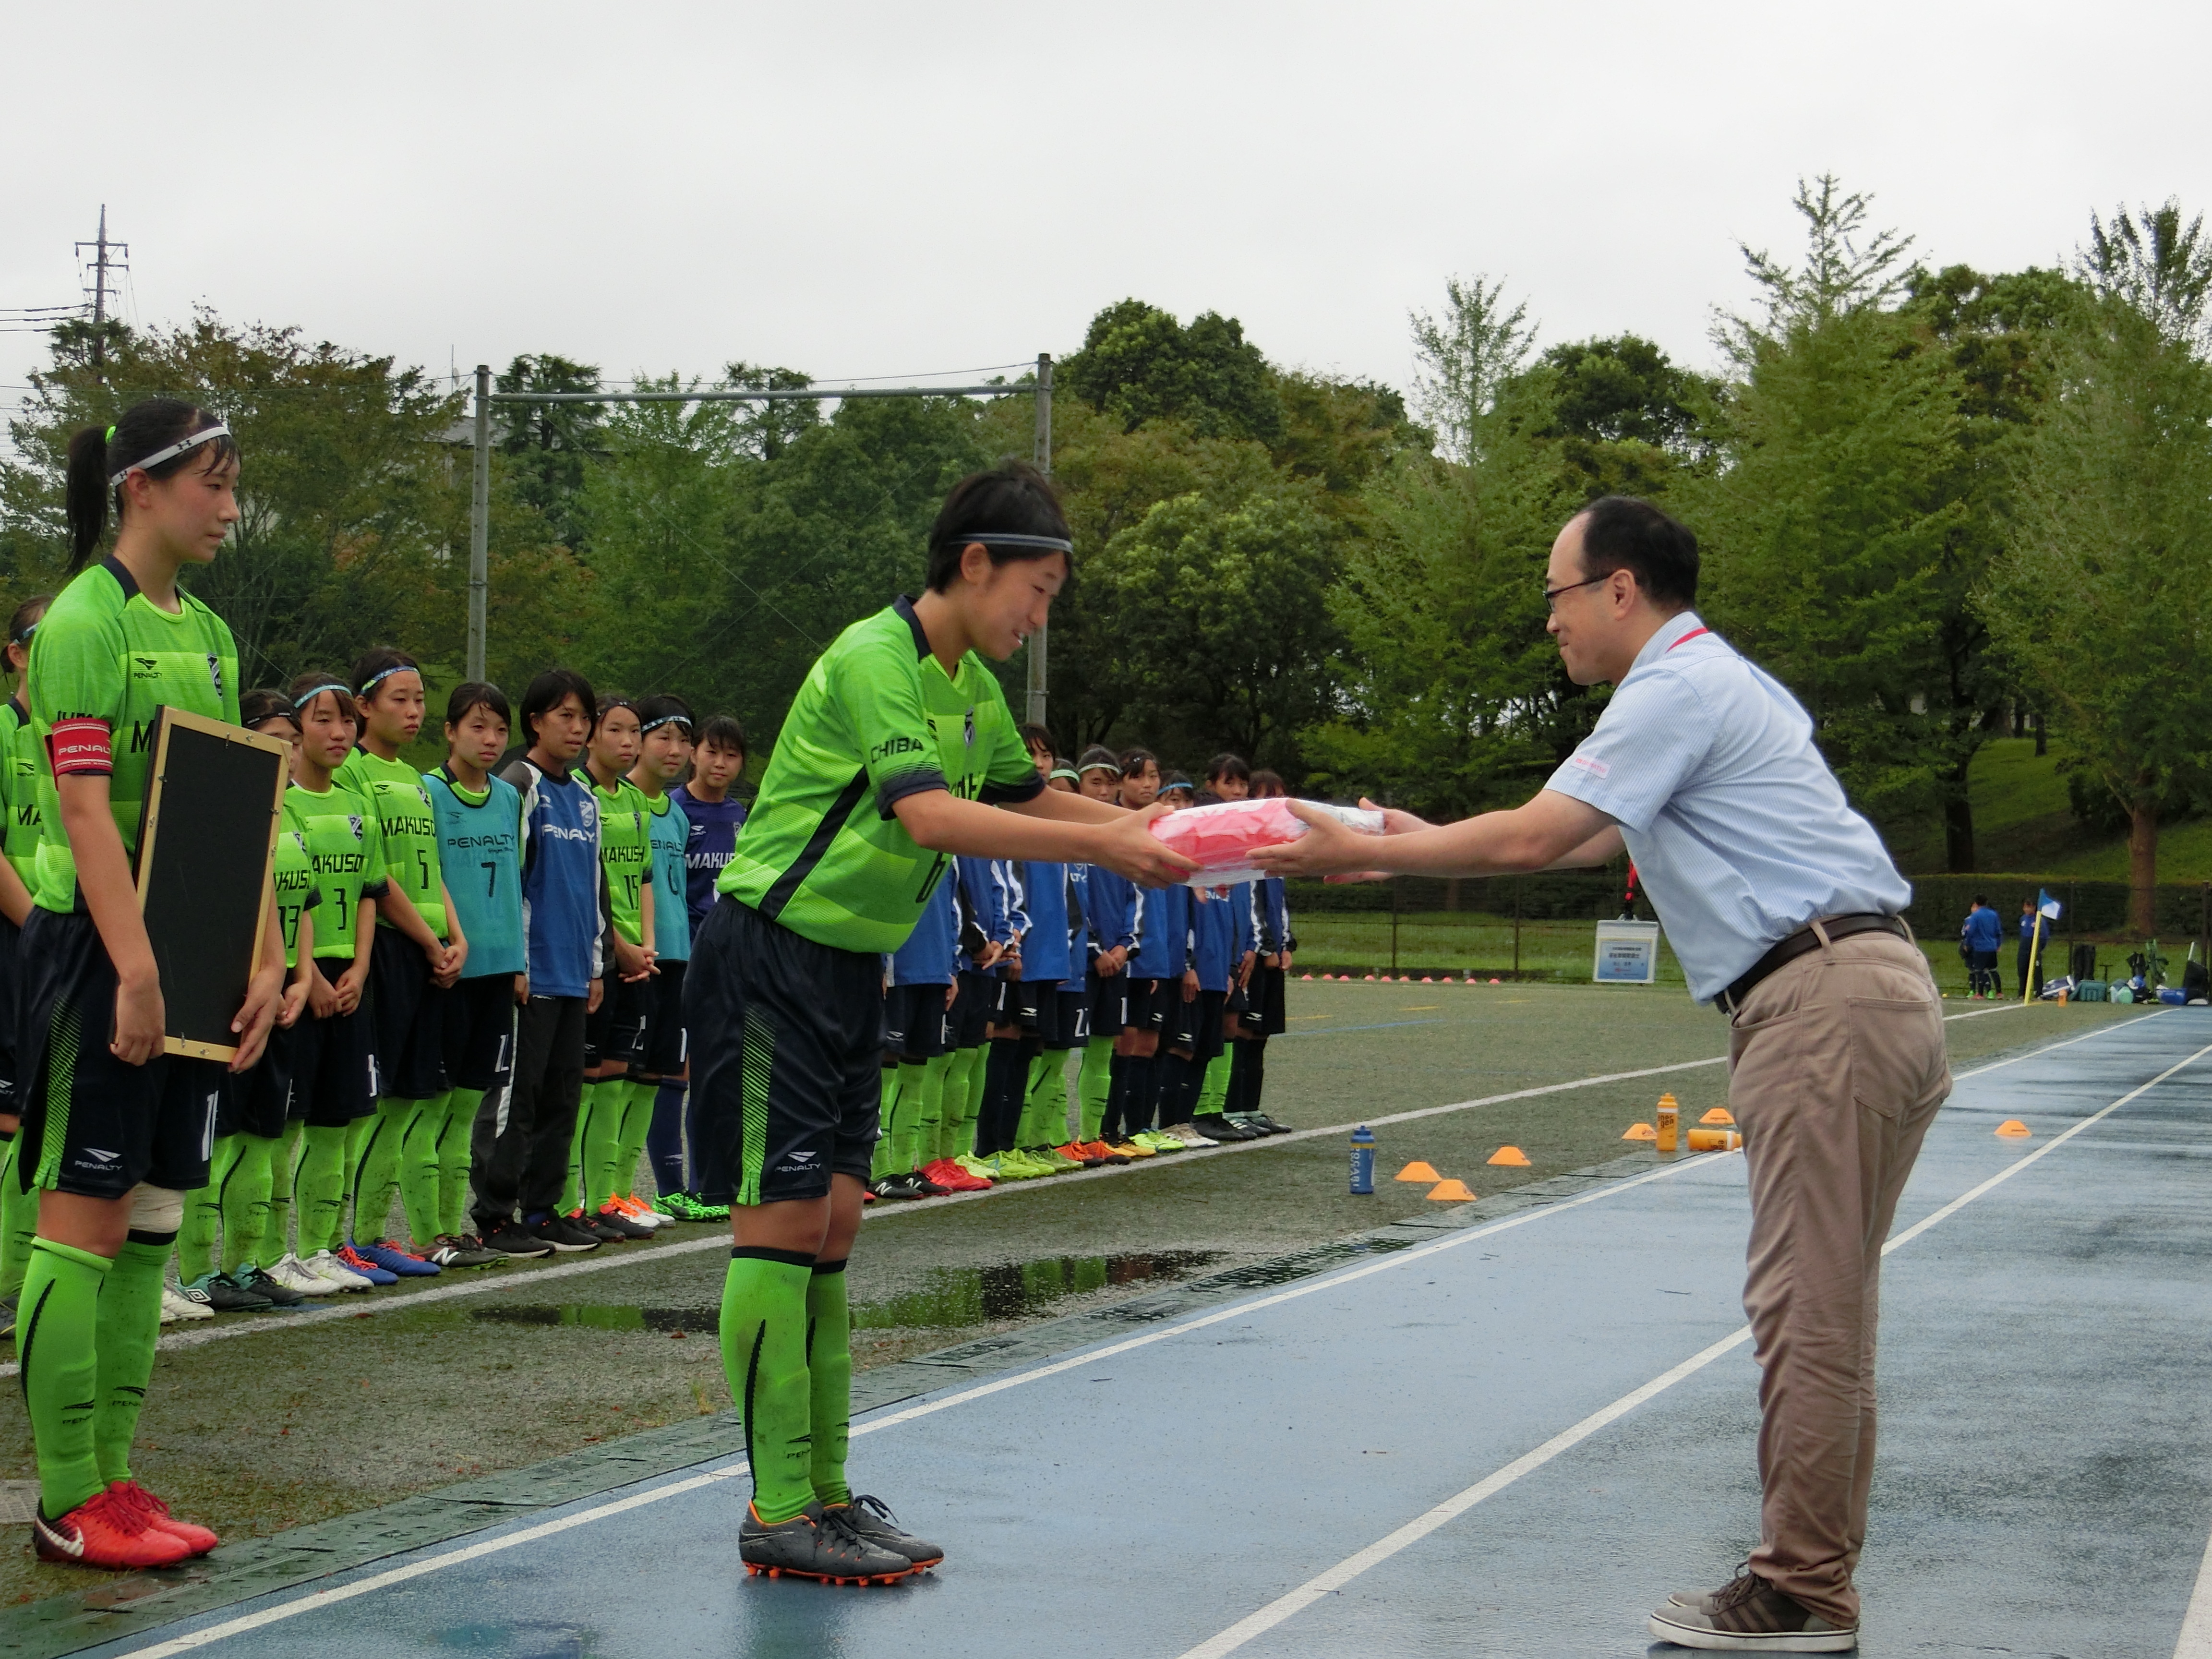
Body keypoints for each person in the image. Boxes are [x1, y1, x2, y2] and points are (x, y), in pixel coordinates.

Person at [1255, 494, 1947, 1652]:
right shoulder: (1712, 679)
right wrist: (1409, 843)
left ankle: (1803, 1586)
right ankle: (1807, 1572)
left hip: (1822, 1002)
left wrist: (1360, 850)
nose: (1550, 623)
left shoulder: (1671, 686)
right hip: (1852, 991)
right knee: (1824, 1302)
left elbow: (1534, 837)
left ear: (1619, 587)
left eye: (1556, 595)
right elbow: (1581, 834)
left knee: (1805, 1305)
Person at [689, 459, 1190, 1582]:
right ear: (975, 563)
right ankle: (776, 1504)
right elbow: (928, 815)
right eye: (1038, 589)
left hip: (847, 969)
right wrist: (1107, 842)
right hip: (772, 954)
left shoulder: (972, 685)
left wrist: (1144, 825)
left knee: (832, 1230)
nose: (1040, 613)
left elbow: (1017, 796)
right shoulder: (877, 659)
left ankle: (822, 1490)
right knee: (777, 1224)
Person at [15, 401, 285, 1567]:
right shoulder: (83, 621)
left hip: (194, 954)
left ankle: (119, 1478)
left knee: (156, 1223)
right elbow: (84, 813)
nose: (231, 507)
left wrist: (264, 953)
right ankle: (62, 1493)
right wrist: (134, 971)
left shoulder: (216, 633)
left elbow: (233, 801)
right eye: (212, 484)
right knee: (81, 1224)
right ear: (142, 487)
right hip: (99, 957)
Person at [174, 692, 333, 1310]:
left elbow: (305, 907)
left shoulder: (289, 815)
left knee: (266, 1140)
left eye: (292, 741)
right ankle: (194, 1275)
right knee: (221, 1142)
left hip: (284, 997)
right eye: (274, 739)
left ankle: (246, 1267)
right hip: (230, 1001)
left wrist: (298, 979)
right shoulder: (223, 815)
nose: (288, 752)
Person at [337, 649, 464, 1277]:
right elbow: (377, 878)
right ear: (363, 706)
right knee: (372, 1097)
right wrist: (426, 940)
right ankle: (343, 1242)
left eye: (420, 700)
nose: (414, 712)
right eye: (400, 700)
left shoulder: (416, 780)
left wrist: (454, 936)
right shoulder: (353, 774)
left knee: (408, 1101)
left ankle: (371, 1234)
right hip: (391, 948)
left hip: (429, 954)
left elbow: (431, 869)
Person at [476, 670, 606, 1256]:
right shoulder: (518, 782)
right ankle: (495, 1213)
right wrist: (517, 961)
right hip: (533, 973)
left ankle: (543, 1209)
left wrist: (597, 967)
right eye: (565, 717)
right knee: (517, 1098)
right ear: (535, 721)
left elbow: (593, 886)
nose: (577, 729)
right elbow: (507, 879)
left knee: (562, 1097)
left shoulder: (584, 796)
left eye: (584, 719)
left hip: (576, 973)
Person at [282, 676, 394, 1294]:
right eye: (323, 719)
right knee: (289, 1125)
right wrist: (309, 975)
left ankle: (320, 1249)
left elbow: (371, 891)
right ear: (297, 729)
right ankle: (275, 1258)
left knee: (339, 1122)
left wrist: (359, 967)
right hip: (301, 978)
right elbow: (292, 898)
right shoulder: (282, 800)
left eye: (347, 721)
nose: (339, 732)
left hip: (352, 976)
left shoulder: (356, 804)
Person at [419, 683, 532, 1264]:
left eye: (498, 730)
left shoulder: (511, 798)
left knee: (471, 1109)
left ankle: (454, 1228)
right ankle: (428, 1231)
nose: (490, 741)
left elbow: (513, 881)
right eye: (476, 727)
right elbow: (428, 873)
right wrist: (448, 942)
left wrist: (518, 961)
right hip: (449, 969)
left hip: (498, 968)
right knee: (434, 1105)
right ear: (450, 731)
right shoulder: (428, 791)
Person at [569, 696, 657, 1242]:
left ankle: (604, 1200)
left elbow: (643, 878)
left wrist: (647, 945)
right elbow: (586, 884)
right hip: (599, 955)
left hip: (636, 961)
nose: (628, 742)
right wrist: (619, 945)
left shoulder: (636, 801)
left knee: (617, 1085)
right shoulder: (578, 795)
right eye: (616, 731)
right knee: (585, 1083)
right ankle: (570, 1200)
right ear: (592, 736)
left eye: (634, 732)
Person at [621, 693, 695, 1228]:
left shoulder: (678, 816)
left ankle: (633, 1192)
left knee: (660, 1076)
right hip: (631, 959)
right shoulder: (618, 804)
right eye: (662, 737)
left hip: (678, 958)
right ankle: (603, 1192)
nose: (674, 750)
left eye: (682, 739)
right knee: (617, 1078)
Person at [0, 593, 50, 1334]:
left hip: (61, 943)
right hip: (20, 940)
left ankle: (31, 1278)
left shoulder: (76, 735)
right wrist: (44, 927)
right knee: (14, 1117)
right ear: (15, 654)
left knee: (46, 1116)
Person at [1960, 895, 2001, 999]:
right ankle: (1999, 993)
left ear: (1977, 903)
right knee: (1993, 969)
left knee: (1979, 970)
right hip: (1992, 946)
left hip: (1980, 946)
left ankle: (1980, 994)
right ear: (1986, 902)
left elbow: (1971, 931)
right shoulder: (1994, 914)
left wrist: (1967, 943)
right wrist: (1998, 944)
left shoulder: (1976, 916)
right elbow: (1998, 931)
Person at [2017, 898, 2053, 1000]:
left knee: (2036, 970)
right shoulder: (2023, 919)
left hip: (2035, 947)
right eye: (2025, 907)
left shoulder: (2039, 919)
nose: (2026, 909)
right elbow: (2021, 931)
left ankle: (2038, 993)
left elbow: (2045, 936)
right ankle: (2022, 993)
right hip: (2024, 947)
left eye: (2029, 907)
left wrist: (2039, 947)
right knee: (2022, 970)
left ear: (2034, 908)